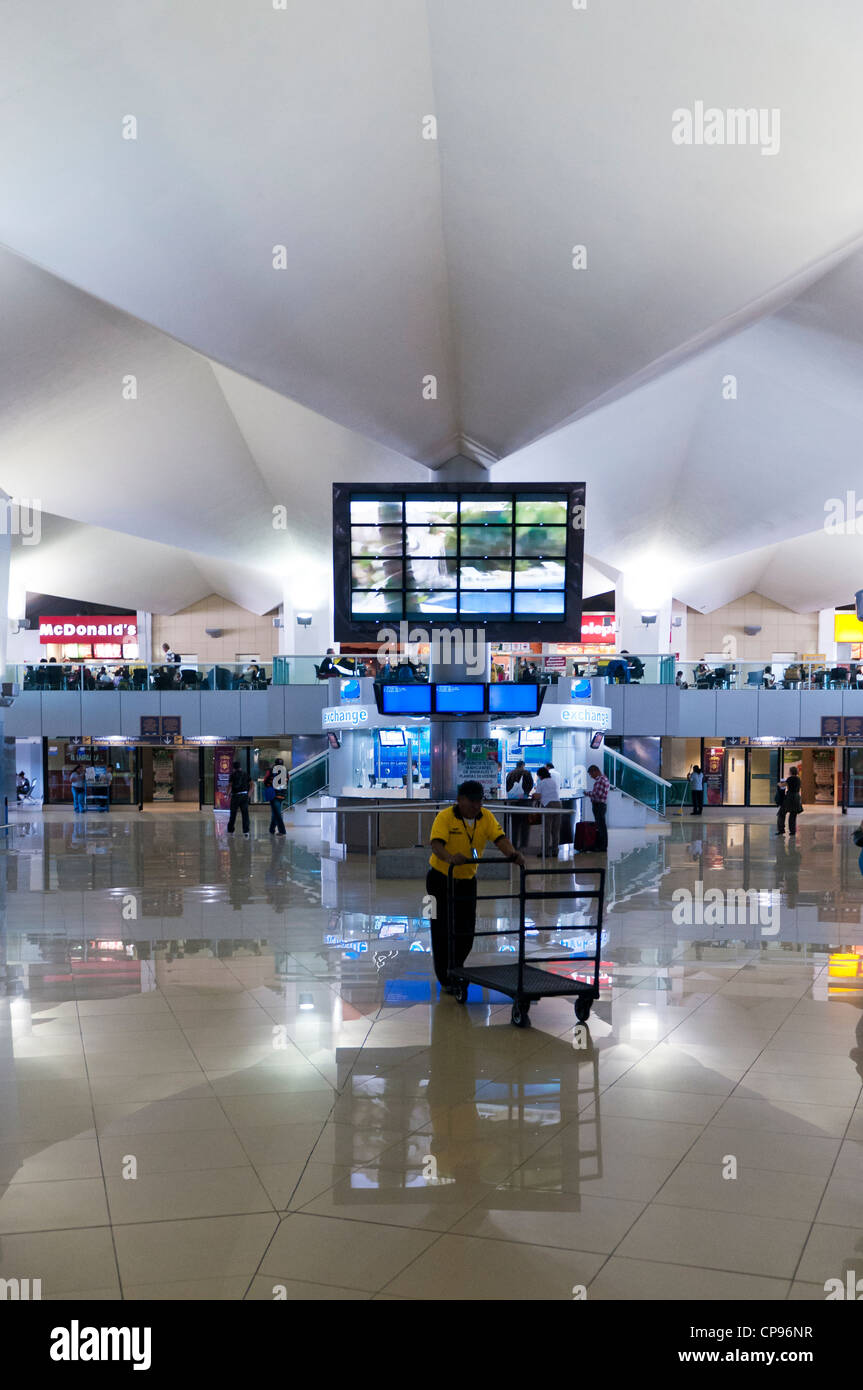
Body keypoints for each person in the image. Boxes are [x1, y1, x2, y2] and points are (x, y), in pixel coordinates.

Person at [426, 781, 524, 990]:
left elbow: (500, 839)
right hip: (439, 880)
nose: (476, 806)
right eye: (471, 801)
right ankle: (445, 978)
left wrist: (513, 855)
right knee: (441, 928)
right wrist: (450, 858)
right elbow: (436, 846)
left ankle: (457, 968)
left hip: (467, 881)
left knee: (466, 930)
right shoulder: (444, 817)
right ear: (459, 800)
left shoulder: (485, 817)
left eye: (479, 801)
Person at [532, 765, 563, 858]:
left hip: (548, 805)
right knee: (555, 830)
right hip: (558, 805)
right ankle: (555, 851)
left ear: (540, 775)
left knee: (546, 830)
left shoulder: (542, 782)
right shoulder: (553, 781)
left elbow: (538, 796)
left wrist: (533, 795)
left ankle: (544, 852)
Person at [505, 760, 534, 850]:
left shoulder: (510, 774)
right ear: (523, 765)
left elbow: (507, 787)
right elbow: (530, 785)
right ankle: (523, 845)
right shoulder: (527, 773)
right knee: (525, 824)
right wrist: (526, 793)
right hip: (525, 802)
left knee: (514, 825)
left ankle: (514, 845)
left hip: (513, 802)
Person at [586, 763, 610, 852]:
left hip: (599, 805)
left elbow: (597, 794)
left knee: (601, 826)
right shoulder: (605, 778)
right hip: (601, 805)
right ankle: (602, 845)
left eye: (591, 774)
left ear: (595, 771)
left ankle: (601, 846)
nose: (591, 776)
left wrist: (587, 793)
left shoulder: (600, 780)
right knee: (601, 826)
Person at [227, 761, 251, 837]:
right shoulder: (245, 774)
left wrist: (227, 794)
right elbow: (252, 784)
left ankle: (230, 830)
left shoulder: (232, 775)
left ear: (234, 768)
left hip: (235, 796)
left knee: (233, 814)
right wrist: (249, 793)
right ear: (240, 767)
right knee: (245, 814)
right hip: (244, 796)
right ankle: (246, 831)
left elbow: (230, 785)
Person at [777, 764, 802, 837]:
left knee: (781, 813)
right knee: (793, 815)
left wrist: (779, 784)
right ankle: (792, 831)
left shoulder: (790, 778)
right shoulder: (798, 779)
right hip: (797, 798)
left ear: (791, 772)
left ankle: (781, 830)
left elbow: (782, 785)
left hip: (790, 798)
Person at [264, 757, 287, 836]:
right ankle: (271, 829)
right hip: (282, 795)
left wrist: (269, 785)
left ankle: (282, 831)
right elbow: (288, 781)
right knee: (275, 812)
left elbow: (265, 781)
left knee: (277, 813)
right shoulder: (285, 771)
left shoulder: (271, 770)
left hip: (273, 795)